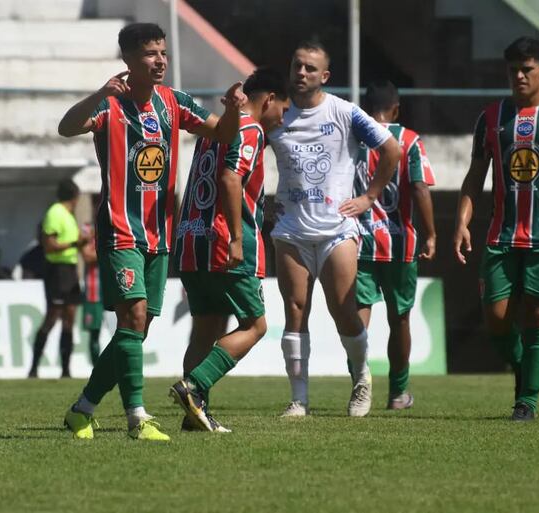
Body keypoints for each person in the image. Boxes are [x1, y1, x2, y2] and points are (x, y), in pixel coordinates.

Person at [57, 22, 246, 441]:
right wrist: (98, 94)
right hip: (120, 230)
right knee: (134, 317)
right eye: (150, 54)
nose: (160, 60)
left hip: (160, 235)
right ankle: (137, 417)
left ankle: (83, 409)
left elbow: (223, 132)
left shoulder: (173, 103)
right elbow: (66, 127)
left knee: (135, 330)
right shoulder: (110, 105)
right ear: (127, 59)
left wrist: (233, 108)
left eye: (163, 53)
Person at [268, 40, 400, 418]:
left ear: (324, 76)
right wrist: (261, 198)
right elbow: (247, 153)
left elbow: (391, 150)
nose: (302, 73)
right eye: (297, 65)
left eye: (310, 68)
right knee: (295, 311)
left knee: (344, 309)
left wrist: (370, 197)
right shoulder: (277, 116)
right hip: (291, 229)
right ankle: (299, 400)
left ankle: (361, 379)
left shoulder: (345, 112)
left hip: (336, 229)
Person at [170, 67, 288, 432]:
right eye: (283, 109)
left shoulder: (214, 130)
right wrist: (237, 237)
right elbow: (230, 177)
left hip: (191, 238)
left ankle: (194, 413)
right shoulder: (250, 129)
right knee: (255, 325)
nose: (282, 119)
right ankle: (195, 386)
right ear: (268, 99)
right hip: (226, 243)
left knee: (205, 328)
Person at [453, 36, 539, 422]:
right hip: (501, 236)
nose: (519, 76)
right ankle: (521, 369)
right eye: (513, 69)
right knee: (496, 320)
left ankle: (526, 402)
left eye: (527, 69)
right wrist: (462, 223)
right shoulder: (491, 118)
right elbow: (474, 175)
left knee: (537, 317)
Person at [354, 80, 437, 410]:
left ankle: (359, 387)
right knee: (399, 319)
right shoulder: (410, 140)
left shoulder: (355, 136)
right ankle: (398, 393)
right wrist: (430, 233)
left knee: (358, 317)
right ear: (397, 109)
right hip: (400, 245)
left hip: (359, 243)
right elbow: (419, 189)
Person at [28, 179, 89, 379]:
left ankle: (65, 369)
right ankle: (34, 367)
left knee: (70, 318)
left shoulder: (68, 216)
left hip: (69, 270)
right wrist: (75, 242)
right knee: (52, 316)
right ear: (75, 196)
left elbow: (72, 245)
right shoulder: (55, 213)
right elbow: (49, 244)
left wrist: (82, 243)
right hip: (56, 270)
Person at [80, 223, 103, 365]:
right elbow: (88, 257)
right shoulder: (88, 242)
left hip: (109, 292)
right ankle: (97, 367)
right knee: (94, 333)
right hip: (93, 294)